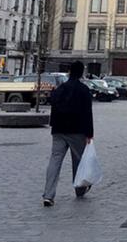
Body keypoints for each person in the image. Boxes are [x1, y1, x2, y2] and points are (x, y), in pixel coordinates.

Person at [42, 61, 94, 207]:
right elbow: (87, 113)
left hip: (58, 130)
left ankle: (48, 194)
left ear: (69, 71)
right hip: (77, 130)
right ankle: (79, 188)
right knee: (78, 160)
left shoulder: (60, 88)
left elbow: (53, 103)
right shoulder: (84, 90)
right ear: (82, 72)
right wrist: (89, 133)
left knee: (55, 161)